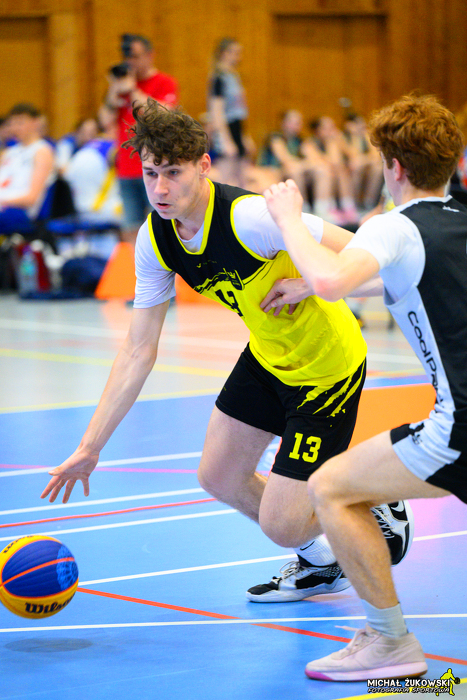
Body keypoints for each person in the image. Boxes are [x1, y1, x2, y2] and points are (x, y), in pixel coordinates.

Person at [40, 100, 412, 606]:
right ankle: (321, 562)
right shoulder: (156, 240)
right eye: (151, 174)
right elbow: (138, 349)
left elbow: (382, 263)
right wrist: (90, 447)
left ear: (203, 166)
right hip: (267, 357)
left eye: (173, 172)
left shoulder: (251, 217)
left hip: (327, 368)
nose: (161, 189)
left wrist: (313, 283)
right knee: (218, 475)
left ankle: (372, 497)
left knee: (282, 525)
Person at [261, 93, 465, 680]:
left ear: (392, 167)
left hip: (459, 425)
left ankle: (390, 641)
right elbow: (403, 279)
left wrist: (287, 219)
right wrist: (308, 285)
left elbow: (332, 278)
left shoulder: (395, 226)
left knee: (330, 489)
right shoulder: (458, 220)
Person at [100, 33, 178, 244]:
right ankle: (135, 265)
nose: (130, 63)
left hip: (156, 168)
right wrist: (113, 91)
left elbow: (166, 114)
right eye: (127, 57)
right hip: (127, 167)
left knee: (161, 226)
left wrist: (133, 90)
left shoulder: (164, 82)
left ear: (150, 55)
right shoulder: (120, 87)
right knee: (131, 228)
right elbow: (104, 120)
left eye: (135, 57)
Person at [0, 103, 55, 234]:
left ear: (35, 123)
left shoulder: (42, 151)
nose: (15, 128)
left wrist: (3, 201)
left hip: (21, 212)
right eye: (12, 123)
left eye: (20, 123)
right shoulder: (9, 152)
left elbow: (31, 198)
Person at [208, 37, 254, 188]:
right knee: (226, 180)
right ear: (223, 53)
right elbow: (217, 112)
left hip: (237, 127)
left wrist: (244, 136)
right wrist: (226, 140)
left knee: (242, 180)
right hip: (226, 128)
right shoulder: (218, 78)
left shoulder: (233, 76)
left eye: (239, 53)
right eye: (234, 52)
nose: (238, 57)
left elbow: (239, 111)